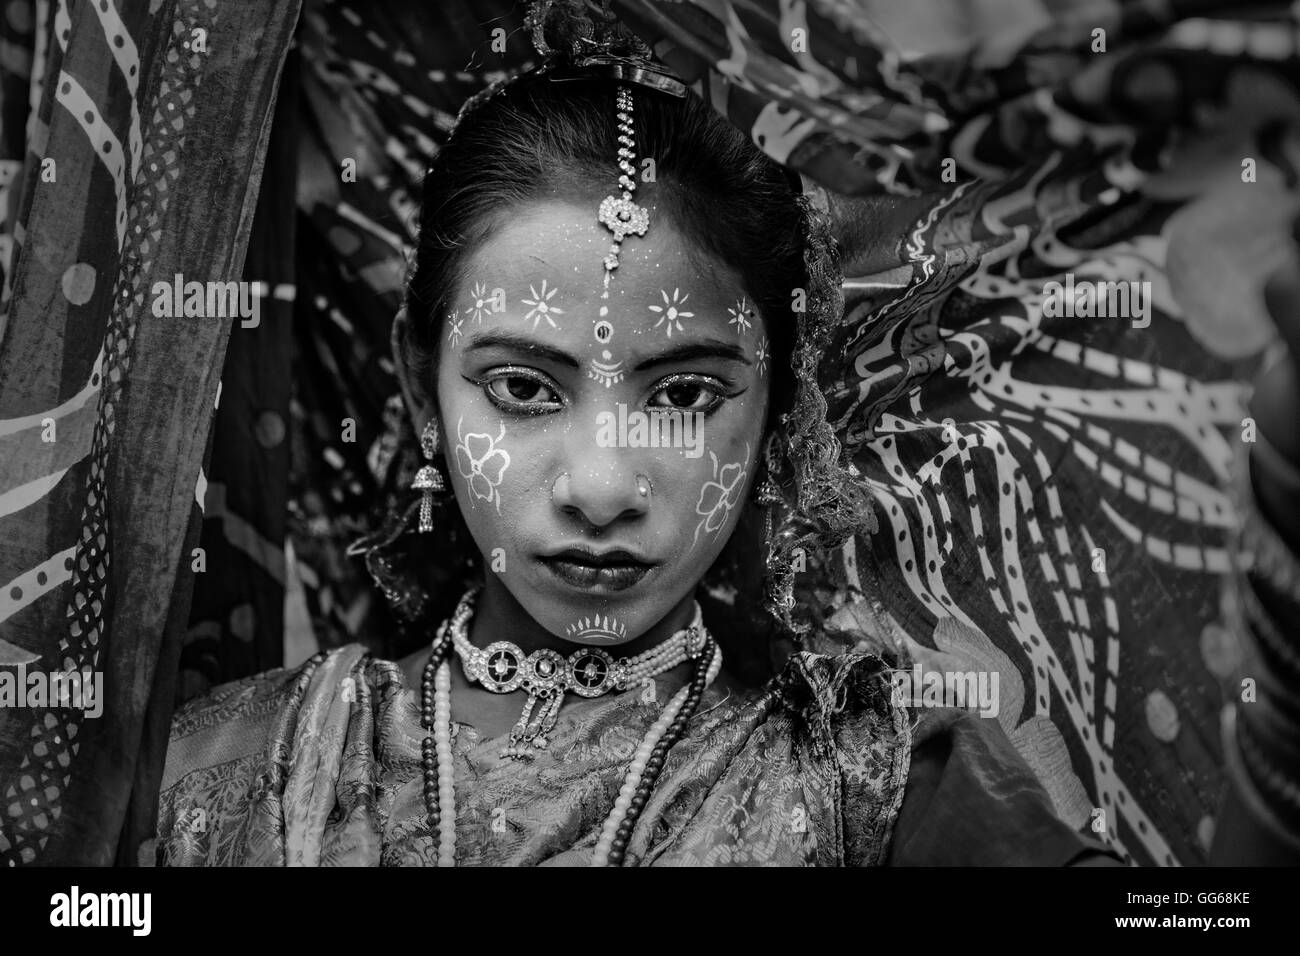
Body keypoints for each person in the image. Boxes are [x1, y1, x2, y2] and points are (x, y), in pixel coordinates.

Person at [153, 13, 1300, 867]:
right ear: (417, 382)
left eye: (687, 394)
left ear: (778, 398)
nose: (600, 485)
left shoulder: (885, 782)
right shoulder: (226, 778)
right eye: (520, 386)